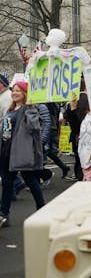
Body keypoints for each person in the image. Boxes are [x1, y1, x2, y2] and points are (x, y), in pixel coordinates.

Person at [0, 81, 45, 227]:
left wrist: (31, 108)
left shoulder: (29, 109)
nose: (14, 93)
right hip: (6, 152)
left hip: (20, 152)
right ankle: (4, 214)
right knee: (7, 184)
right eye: (14, 90)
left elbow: (34, 127)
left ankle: (42, 209)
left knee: (31, 181)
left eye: (18, 91)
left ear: (25, 93)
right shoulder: (10, 109)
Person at [63, 76, 88, 180]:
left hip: (77, 134)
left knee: (79, 159)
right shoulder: (88, 99)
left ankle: (79, 176)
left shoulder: (72, 102)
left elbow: (69, 120)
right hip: (85, 135)